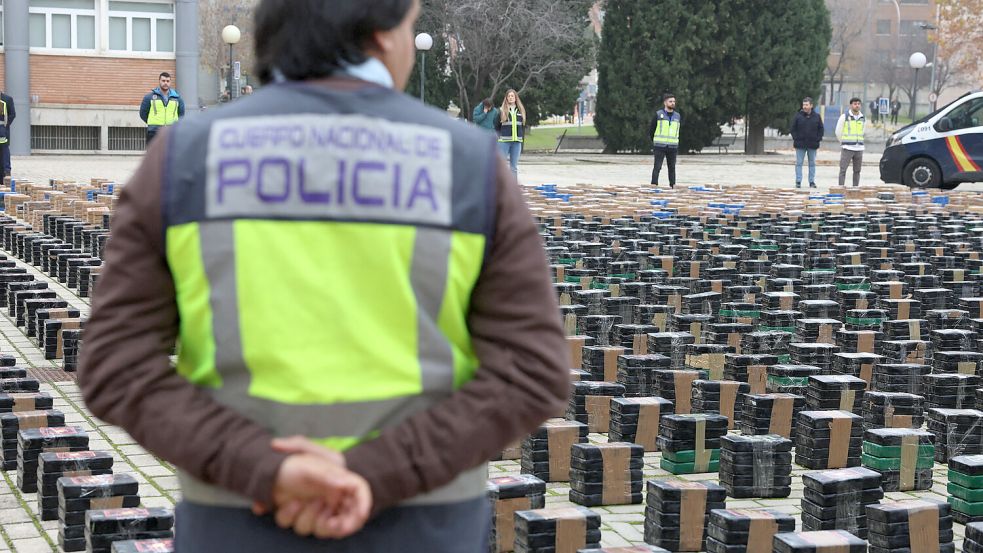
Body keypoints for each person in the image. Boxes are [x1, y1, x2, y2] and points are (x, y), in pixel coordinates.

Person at [78, 0, 570, 552]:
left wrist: (266, 469)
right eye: (412, 25)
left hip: (239, 523)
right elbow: (532, 370)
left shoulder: (185, 157)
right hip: (423, 526)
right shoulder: (467, 162)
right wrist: (373, 473)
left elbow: (115, 365)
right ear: (382, 35)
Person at [139, 72, 185, 145]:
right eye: (163, 81)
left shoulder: (178, 98)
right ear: (159, 81)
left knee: (170, 152)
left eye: (167, 81)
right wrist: (153, 122)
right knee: (154, 152)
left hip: (171, 132)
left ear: (170, 82)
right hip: (154, 132)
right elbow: (143, 113)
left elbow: (181, 115)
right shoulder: (149, 97)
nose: (165, 83)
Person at [647, 93, 681, 188]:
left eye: (674, 101)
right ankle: (654, 185)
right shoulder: (658, 115)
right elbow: (652, 130)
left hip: (673, 146)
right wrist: (655, 141)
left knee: (672, 168)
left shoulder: (677, 116)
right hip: (659, 146)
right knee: (657, 167)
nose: (673, 103)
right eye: (670, 101)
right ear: (665, 103)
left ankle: (672, 185)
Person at [789, 96, 824, 189]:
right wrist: (796, 138)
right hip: (800, 145)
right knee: (799, 163)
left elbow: (821, 129)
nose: (804, 106)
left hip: (812, 144)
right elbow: (793, 129)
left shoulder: (817, 117)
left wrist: (818, 139)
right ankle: (798, 181)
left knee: (812, 163)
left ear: (811, 106)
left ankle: (811, 182)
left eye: (806, 105)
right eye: (803, 105)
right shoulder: (798, 116)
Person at [836, 97, 866, 187]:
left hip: (859, 148)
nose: (857, 106)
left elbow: (863, 131)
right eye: (855, 104)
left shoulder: (863, 118)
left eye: (858, 104)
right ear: (851, 105)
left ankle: (855, 189)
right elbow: (838, 132)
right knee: (843, 170)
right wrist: (843, 142)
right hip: (847, 148)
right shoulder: (844, 117)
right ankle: (841, 188)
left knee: (857, 171)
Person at [495, 89, 526, 175]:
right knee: (501, 166)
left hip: (517, 143)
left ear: (515, 98)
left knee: (514, 167)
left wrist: (520, 138)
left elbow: (522, 126)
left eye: (512, 96)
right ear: (506, 98)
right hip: (504, 142)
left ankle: (513, 184)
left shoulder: (521, 111)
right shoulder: (501, 110)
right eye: (509, 96)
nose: (510, 97)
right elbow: (496, 126)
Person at [0, 90, 15, 180]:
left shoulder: (7, 99)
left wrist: (6, 125)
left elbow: (12, 114)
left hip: (2, 131)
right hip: (3, 130)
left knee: (4, 151)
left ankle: (6, 171)